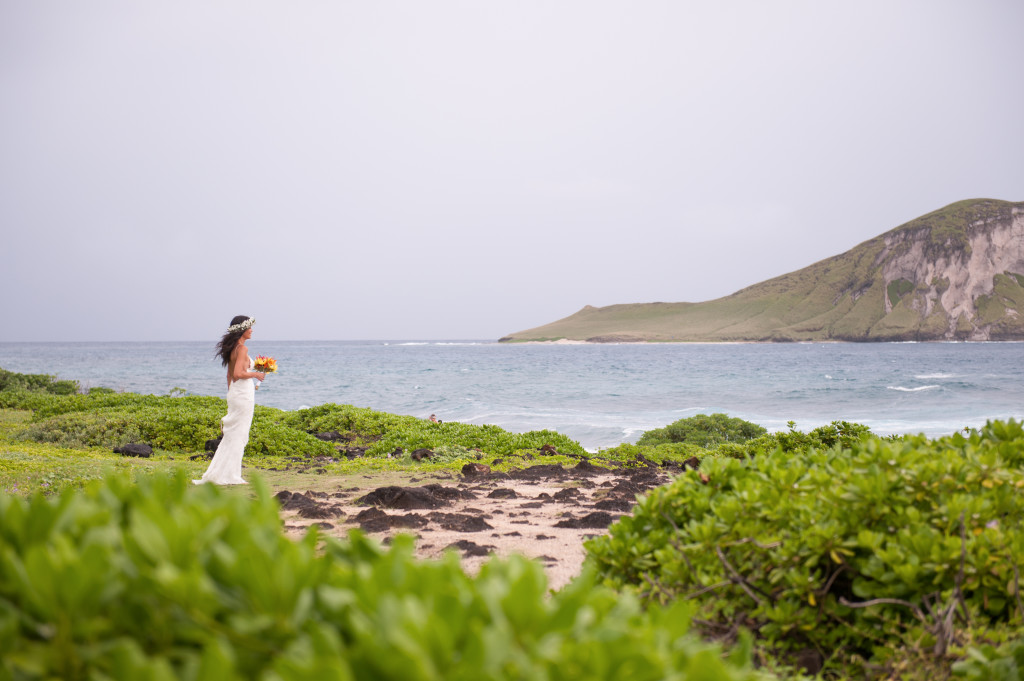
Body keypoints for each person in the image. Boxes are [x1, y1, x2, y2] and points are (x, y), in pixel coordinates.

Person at [194, 315, 266, 485]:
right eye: (250, 327)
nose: (252, 330)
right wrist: (256, 374)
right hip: (242, 394)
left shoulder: (233, 348)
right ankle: (231, 475)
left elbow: (229, 375)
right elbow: (238, 374)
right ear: (243, 329)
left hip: (236, 393)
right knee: (239, 435)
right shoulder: (242, 349)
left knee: (233, 435)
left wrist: (231, 393)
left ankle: (226, 473)